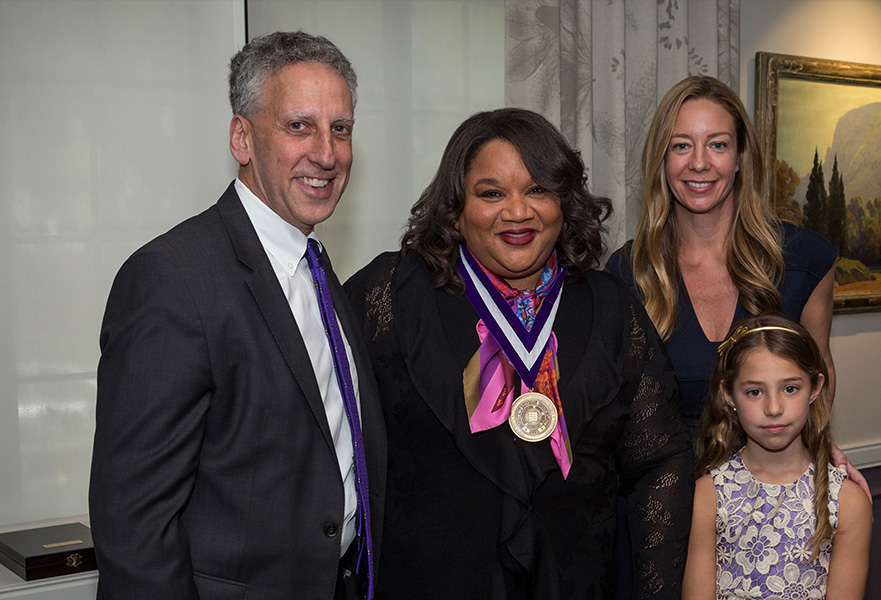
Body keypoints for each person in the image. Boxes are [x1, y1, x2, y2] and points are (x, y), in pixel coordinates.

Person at [344, 108, 693, 599]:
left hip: (573, 584)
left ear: (564, 202)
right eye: (491, 193)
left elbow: (660, 462)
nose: (517, 212)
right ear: (455, 207)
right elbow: (321, 416)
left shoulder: (611, 307)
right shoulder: (393, 295)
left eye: (537, 190)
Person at [89, 31, 385, 600]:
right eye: (299, 125)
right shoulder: (172, 279)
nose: (326, 153)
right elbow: (134, 528)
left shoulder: (318, 269)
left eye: (340, 128)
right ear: (241, 138)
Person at [605, 75, 870, 496]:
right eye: (681, 145)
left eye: (717, 144)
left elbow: (820, 375)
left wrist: (818, 449)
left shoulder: (804, 261)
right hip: (658, 506)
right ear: (662, 158)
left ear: (742, 155)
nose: (699, 163)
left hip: (770, 500)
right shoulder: (628, 272)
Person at [681, 315, 871, 599]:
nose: (773, 407)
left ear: (815, 388)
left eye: (790, 388)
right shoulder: (708, 496)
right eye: (755, 391)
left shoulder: (847, 502)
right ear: (729, 395)